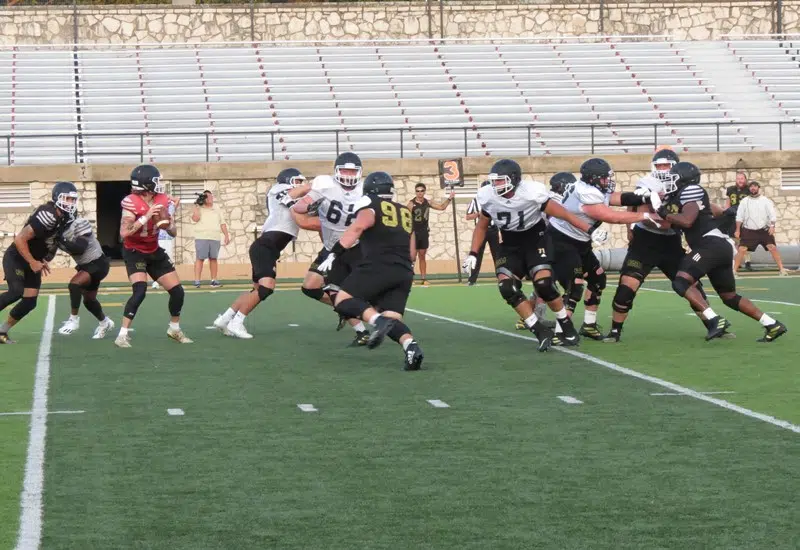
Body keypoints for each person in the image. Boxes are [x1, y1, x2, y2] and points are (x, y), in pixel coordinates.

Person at [461, 159, 611, 352]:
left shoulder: (531, 192)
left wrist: (589, 230)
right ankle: (538, 330)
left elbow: (563, 214)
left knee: (544, 285)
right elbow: (481, 226)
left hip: (536, 239)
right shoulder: (488, 196)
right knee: (507, 287)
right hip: (510, 243)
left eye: (500, 181)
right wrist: (473, 253)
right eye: (494, 181)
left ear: (514, 179)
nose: (495, 185)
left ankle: (565, 323)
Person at [604, 149, 731, 343]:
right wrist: (632, 226)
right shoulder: (647, 183)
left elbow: (701, 205)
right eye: (659, 165)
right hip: (645, 241)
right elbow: (639, 210)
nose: (663, 170)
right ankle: (615, 331)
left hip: (671, 241)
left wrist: (722, 212)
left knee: (690, 283)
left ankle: (712, 323)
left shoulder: (685, 186)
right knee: (627, 287)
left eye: (666, 166)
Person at [657, 162, 787, 343]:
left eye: (674, 177)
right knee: (729, 296)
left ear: (684, 179)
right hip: (718, 245)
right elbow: (715, 211)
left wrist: (664, 213)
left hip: (709, 244)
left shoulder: (691, 190)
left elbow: (687, 220)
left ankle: (714, 319)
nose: (671, 181)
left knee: (680, 281)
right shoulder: (684, 196)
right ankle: (772, 324)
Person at [547, 158, 664, 345]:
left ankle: (589, 325)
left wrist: (643, 197)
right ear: (593, 178)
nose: (607, 181)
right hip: (562, 241)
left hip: (579, 241)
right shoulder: (587, 193)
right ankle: (561, 332)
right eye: (604, 178)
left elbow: (616, 198)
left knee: (597, 279)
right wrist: (645, 215)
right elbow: (612, 216)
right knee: (574, 285)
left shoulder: (590, 187)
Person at [318, 171, 423, 370]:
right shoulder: (404, 211)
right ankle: (411, 347)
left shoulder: (371, 205)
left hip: (379, 264)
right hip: (404, 271)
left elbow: (358, 228)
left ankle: (376, 320)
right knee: (392, 318)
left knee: (342, 300)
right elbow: (411, 251)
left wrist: (334, 253)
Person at [212, 168, 309, 339]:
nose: (301, 184)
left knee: (256, 289)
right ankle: (237, 322)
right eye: (298, 181)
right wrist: (315, 186)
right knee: (266, 288)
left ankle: (225, 318)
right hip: (266, 246)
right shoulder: (278, 189)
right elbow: (295, 194)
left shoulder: (293, 200)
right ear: (287, 181)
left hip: (267, 247)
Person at [292, 152, 371, 346]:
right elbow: (301, 206)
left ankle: (365, 328)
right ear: (336, 171)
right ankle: (347, 312)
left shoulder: (365, 189)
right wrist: (298, 201)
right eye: (345, 170)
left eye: (352, 171)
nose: (349, 175)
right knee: (310, 287)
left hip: (356, 247)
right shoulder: (324, 184)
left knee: (349, 292)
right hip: (331, 248)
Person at [115, 164, 192, 348]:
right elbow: (124, 233)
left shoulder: (163, 199)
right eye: (156, 180)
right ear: (147, 183)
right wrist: (147, 216)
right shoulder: (131, 201)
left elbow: (173, 232)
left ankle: (174, 328)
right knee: (140, 291)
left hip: (153, 250)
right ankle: (122, 335)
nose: (159, 184)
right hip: (134, 251)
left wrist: (168, 225)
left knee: (177, 291)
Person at [0, 182, 77, 343]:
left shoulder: (67, 217)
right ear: (57, 198)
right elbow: (20, 239)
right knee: (16, 291)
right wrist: (32, 262)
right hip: (18, 258)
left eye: (73, 199)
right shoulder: (48, 214)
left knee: (29, 302)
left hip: (34, 260)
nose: (71, 203)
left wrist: (43, 259)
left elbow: (52, 241)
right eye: (67, 199)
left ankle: (2, 331)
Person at [55, 216, 114, 339]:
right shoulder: (58, 230)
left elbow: (80, 248)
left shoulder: (79, 223)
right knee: (89, 301)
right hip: (87, 265)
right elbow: (50, 251)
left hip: (97, 262)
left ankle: (73, 320)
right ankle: (105, 322)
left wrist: (61, 239)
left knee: (74, 285)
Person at [734, 180, 787, 276]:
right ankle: (734, 271)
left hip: (764, 230)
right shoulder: (744, 201)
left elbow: (772, 214)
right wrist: (737, 230)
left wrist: (772, 226)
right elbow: (739, 217)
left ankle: (782, 269)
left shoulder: (765, 200)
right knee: (742, 249)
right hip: (748, 230)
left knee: (772, 247)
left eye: (755, 186)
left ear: (758, 188)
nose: (753, 188)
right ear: (748, 188)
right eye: (751, 186)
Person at [407, 183, 454, 285]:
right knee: (412, 257)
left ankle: (424, 279)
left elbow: (441, 207)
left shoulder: (427, 202)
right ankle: (409, 278)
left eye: (422, 191)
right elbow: (406, 217)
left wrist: (449, 198)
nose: (420, 193)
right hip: (414, 232)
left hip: (424, 232)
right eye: (418, 191)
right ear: (415, 192)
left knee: (422, 256)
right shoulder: (411, 204)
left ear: (424, 191)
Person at [191, 190, 230, 288]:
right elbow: (195, 219)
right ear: (204, 198)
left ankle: (214, 280)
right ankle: (197, 281)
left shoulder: (216, 208)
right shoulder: (198, 207)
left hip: (215, 237)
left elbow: (222, 223)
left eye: (211, 197)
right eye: (208, 197)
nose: (211, 199)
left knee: (213, 259)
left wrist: (226, 235)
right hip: (202, 237)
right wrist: (196, 206)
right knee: (200, 258)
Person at [464, 180, 500, 286]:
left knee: (497, 255)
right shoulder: (476, 200)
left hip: (493, 229)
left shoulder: (496, 200)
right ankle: (472, 279)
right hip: (482, 231)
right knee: (477, 255)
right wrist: (478, 214)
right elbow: (468, 216)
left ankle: (501, 277)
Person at [720, 171, 753, 269]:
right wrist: (725, 213)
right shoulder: (731, 189)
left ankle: (747, 261)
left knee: (745, 239)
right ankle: (737, 261)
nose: (740, 180)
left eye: (742, 178)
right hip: (733, 216)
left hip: (745, 217)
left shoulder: (749, 189)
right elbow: (728, 203)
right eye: (738, 178)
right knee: (734, 239)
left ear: (745, 179)